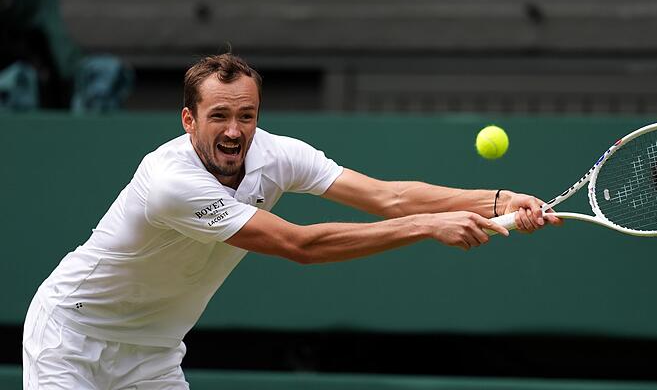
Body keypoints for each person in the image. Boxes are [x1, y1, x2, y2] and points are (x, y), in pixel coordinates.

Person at [22, 53, 560, 389]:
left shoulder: (278, 155)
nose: (235, 130)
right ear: (189, 121)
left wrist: (496, 199)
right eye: (219, 116)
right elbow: (302, 245)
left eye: (247, 115)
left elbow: (389, 196)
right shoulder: (170, 183)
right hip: (72, 338)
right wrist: (427, 227)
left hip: (154, 354)